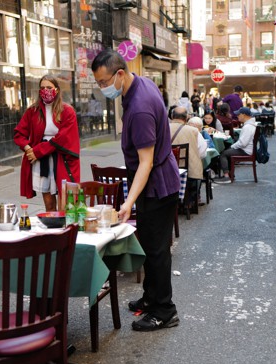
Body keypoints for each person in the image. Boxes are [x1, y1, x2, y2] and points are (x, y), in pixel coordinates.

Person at [91, 49, 179, 331]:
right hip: (153, 179)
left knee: (156, 250)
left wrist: (128, 201)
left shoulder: (139, 107)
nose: (103, 88)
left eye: (104, 82)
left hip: (156, 182)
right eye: (99, 83)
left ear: (119, 74)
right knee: (151, 245)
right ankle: (151, 298)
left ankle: (164, 310)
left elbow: (146, 162)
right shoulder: (139, 83)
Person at [14, 75, 81, 211]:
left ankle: (67, 231)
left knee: (67, 203)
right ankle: (52, 229)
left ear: (56, 89)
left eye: (49, 88)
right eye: (43, 88)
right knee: (49, 203)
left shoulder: (67, 111)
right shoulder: (32, 111)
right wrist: (28, 149)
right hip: (42, 160)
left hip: (62, 159)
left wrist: (37, 151)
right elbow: (19, 133)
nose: (46, 90)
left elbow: (62, 137)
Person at [170, 107, 205, 209]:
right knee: (197, 166)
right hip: (188, 170)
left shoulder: (161, 128)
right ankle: (189, 201)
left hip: (167, 167)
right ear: (186, 118)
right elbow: (202, 151)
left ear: (172, 116)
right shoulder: (194, 131)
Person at [216, 107, 257, 183]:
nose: (237, 116)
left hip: (245, 150)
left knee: (223, 154)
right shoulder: (251, 125)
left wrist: (232, 146)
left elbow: (243, 143)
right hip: (248, 149)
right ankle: (231, 175)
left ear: (243, 115)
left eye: (238, 114)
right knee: (228, 151)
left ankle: (226, 177)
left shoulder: (247, 127)